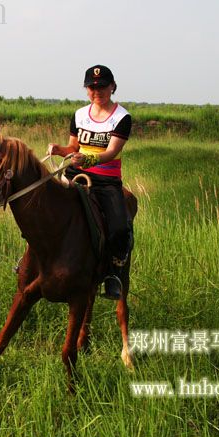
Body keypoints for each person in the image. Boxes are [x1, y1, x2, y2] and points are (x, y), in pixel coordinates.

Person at [48, 64, 132, 299]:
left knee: (119, 227)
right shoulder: (79, 114)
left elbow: (111, 152)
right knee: (43, 207)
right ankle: (32, 261)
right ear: (86, 90)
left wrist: (88, 159)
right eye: (92, 87)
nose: (97, 91)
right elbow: (73, 147)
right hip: (75, 173)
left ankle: (113, 274)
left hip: (105, 180)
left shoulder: (122, 117)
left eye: (102, 86)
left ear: (112, 87)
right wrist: (58, 150)